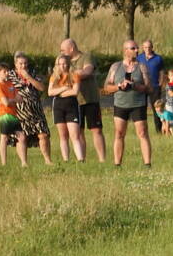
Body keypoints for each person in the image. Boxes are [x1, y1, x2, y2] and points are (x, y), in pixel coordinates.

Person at [101, 39, 153, 167]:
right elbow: (107, 87)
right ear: (125, 51)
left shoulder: (142, 67)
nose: (137, 50)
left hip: (138, 104)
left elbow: (149, 88)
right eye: (133, 48)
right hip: (120, 105)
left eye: (137, 48)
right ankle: (117, 164)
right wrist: (119, 87)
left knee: (142, 133)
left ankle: (147, 164)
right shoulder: (116, 67)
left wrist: (134, 85)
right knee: (119, 133)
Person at [59, 39, 105, 162]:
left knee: (96, 130)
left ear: (71, 48)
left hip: (90, 100)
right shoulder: (64, 62)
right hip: (74, 102)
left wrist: (73, 75)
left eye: (63, 50)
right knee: (79, 132)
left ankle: (102, 160)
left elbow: (88, 71)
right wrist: (75, 74)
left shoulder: (86, 57)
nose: (62, 52)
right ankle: (82, 159)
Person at [9, 52, 52, 165]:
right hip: (19, 112)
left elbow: (42, 88)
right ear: (15, 64)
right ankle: (24, 163)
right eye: (21, 64)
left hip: (36, 112)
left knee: (43, 135)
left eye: (25, 63)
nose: (23, 66)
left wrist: (28, 77)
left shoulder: (33, 73)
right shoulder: (10, 76)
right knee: (21, 137)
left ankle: (48, 161)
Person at [47, 55, 84, 162]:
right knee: (63, 135)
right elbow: (50, 92)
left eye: (64, 63)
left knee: (74, 135)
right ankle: (66, 159)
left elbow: (75, 92)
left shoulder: (74, 75)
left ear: (68, 63)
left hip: (71, 106)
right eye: (60, 64)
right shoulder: (54, 77)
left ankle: (80, 159)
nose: (62, 66)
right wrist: (64, 88)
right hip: (58, 106)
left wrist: (59, 92)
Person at [0, 62, 27, 166]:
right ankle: (4, 163)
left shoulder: (10, 84)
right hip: (4, 114)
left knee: (21, 137)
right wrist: (13, 100)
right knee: (6, 137)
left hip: (13, 114)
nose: (7, 73)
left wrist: (11, 100)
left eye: (8, 71)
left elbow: (20, 99)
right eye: (4, 71)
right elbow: (5, 103)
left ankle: (24, 163)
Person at [137, 39, 164, 134]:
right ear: (143, 48)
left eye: (149, 47)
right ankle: (143, 130)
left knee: (157, 110)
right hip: (142, 87)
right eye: (145, 47)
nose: (147, 49)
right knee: (141, 109)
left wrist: (160, 83)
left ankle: (159, 130)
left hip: (155, 87)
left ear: (152, 47)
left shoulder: (158, 58)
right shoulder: (139, 58)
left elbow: (161, 72)